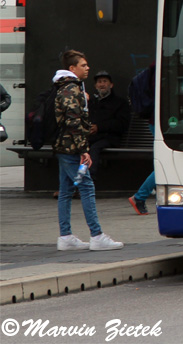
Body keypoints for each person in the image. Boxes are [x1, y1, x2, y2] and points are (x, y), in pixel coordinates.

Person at [53, 49, 123, 251]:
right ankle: (96, 235)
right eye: (83, 65)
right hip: (71, 148)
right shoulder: (71, 89)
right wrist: (84, 150)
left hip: (64, 147)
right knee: (87, 188)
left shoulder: (67, 86)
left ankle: (65, 236)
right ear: (72, 68)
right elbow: (74, 121)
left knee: (66, 191)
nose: (87, 68)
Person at [87, 70, 130, 175]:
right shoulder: (91, 102)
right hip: (91, 137)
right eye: (99, 82)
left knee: (94, 149)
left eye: (105, 81)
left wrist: (99, 127)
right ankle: (71, 185)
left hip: (109, 138)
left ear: (111, 85)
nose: (102, 84)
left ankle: (88, 183)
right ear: (96, 86)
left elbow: (122, 124)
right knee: (75, 148)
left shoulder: (120, 103)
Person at [128, 63, 155, 215]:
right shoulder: (162, 71)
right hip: (160, 123)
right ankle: (140, 196)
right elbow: (169, 94)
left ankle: (140, 196)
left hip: (156, 121)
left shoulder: (154, 70)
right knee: (166, 164)